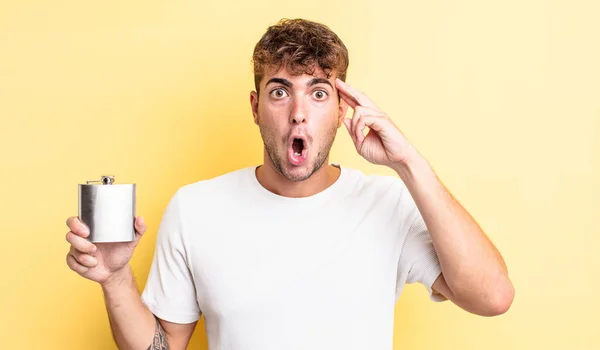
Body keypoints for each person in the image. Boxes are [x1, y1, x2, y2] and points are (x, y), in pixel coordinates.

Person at [65, 18, 514, 350]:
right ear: (256, 107)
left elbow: (492, 297)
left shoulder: (388, 203)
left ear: (341, 110)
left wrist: (409, 163)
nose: (299, 112)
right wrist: (116, 278)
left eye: (318, 93)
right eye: (280, 91)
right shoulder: (196, 209)